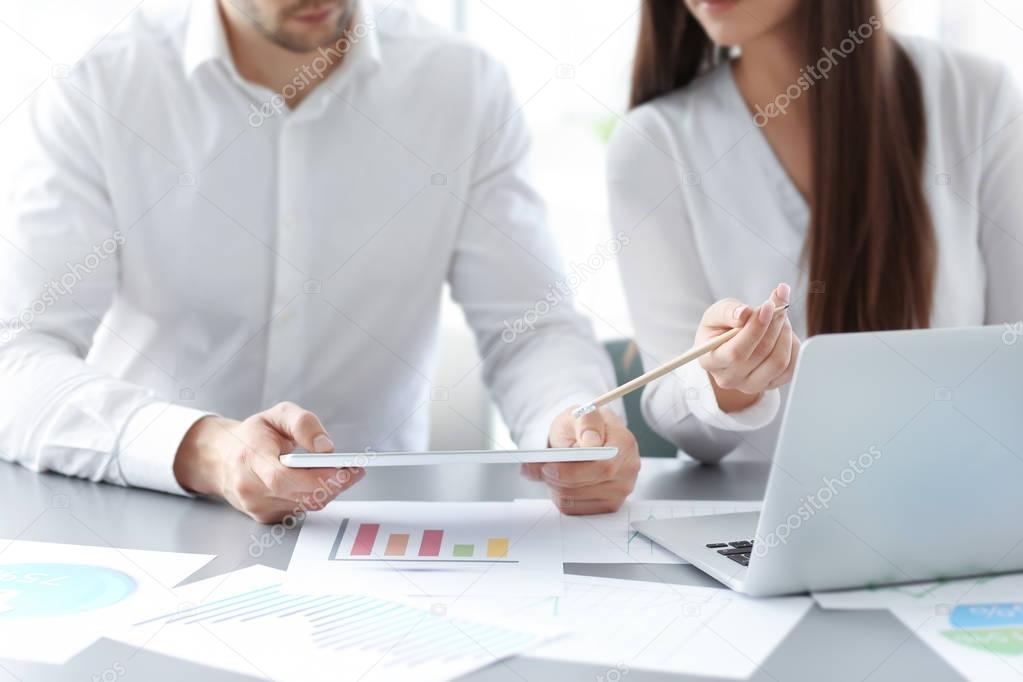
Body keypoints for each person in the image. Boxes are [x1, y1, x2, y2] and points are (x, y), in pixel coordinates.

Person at [0, 0, 639, 522]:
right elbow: (16, 359)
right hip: (147, 517)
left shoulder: (460, 87)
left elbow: (529, 329)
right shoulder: (100, 91)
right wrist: (206, 449)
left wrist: (571, 418)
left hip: (378, 540)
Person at [610, 0, 1023, 462]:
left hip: (967, 511)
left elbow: (1014, 362)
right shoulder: (652, 145)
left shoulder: (980, 98)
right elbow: (684, 429)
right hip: (755, 524)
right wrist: (726, 381)